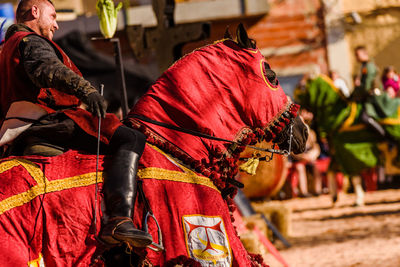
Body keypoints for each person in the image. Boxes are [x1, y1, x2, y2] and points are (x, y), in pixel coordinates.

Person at [0, 0, 152, 248]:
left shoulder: (6, 48)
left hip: (20, 130)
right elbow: (47, 69)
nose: (57, 25)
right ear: (34, 12)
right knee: (131, 138)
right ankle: (119, 219)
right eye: (53, 16)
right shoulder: (30, 41)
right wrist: (86, 91)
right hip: (49, 123)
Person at [351, 45, 388, 139]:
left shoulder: (369, 66)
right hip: (369, 97)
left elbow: (366, 87)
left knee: (364, 118)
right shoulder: (364, 66)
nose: (356, 57)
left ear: (364, 54)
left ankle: (385, 137)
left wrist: (354, 94)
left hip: (374, 98)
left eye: (357, 55)